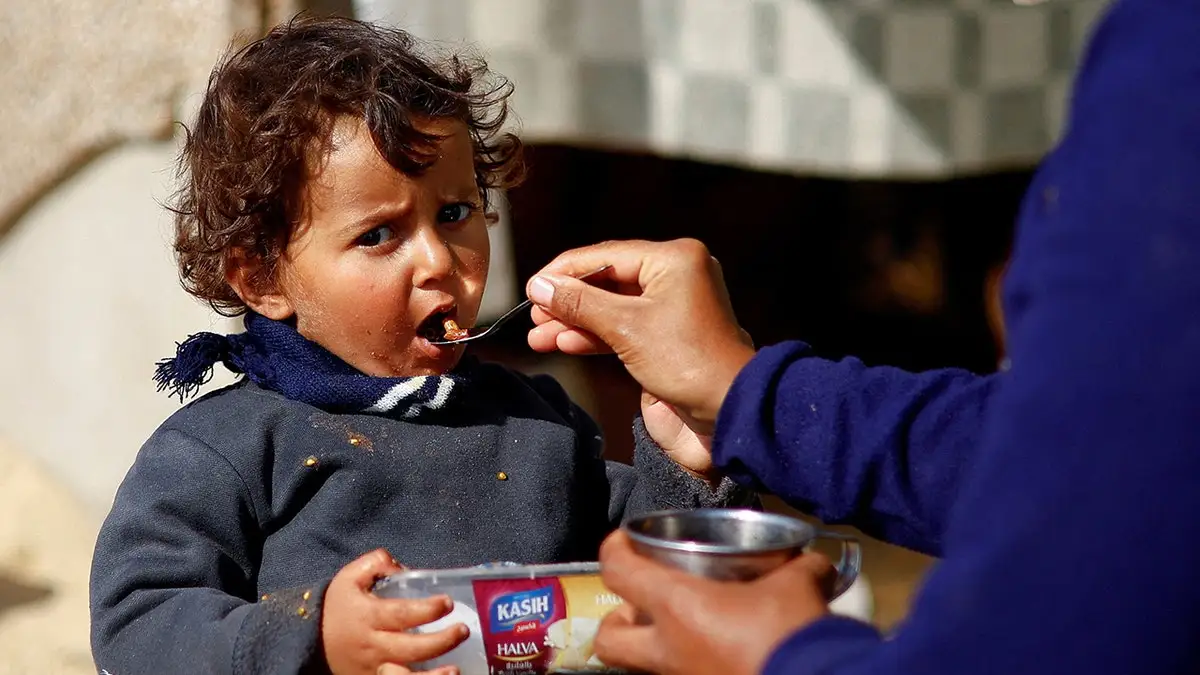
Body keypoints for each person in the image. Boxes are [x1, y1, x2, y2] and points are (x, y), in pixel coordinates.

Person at [522, 0, 1200, 672]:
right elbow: (1076, 449)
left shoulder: (1172, 73)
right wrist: (747, 394)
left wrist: (783, 658)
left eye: (459, 212)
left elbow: (1072, 597)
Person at [88, 16, 753, 675]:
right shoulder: (227, 448)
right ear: (261, 277)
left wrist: (687, 460)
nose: (438, 259)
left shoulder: (538, 425)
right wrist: (313, 636)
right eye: (379, 235)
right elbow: (138, 618)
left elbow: (648, 589)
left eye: (456, 212)